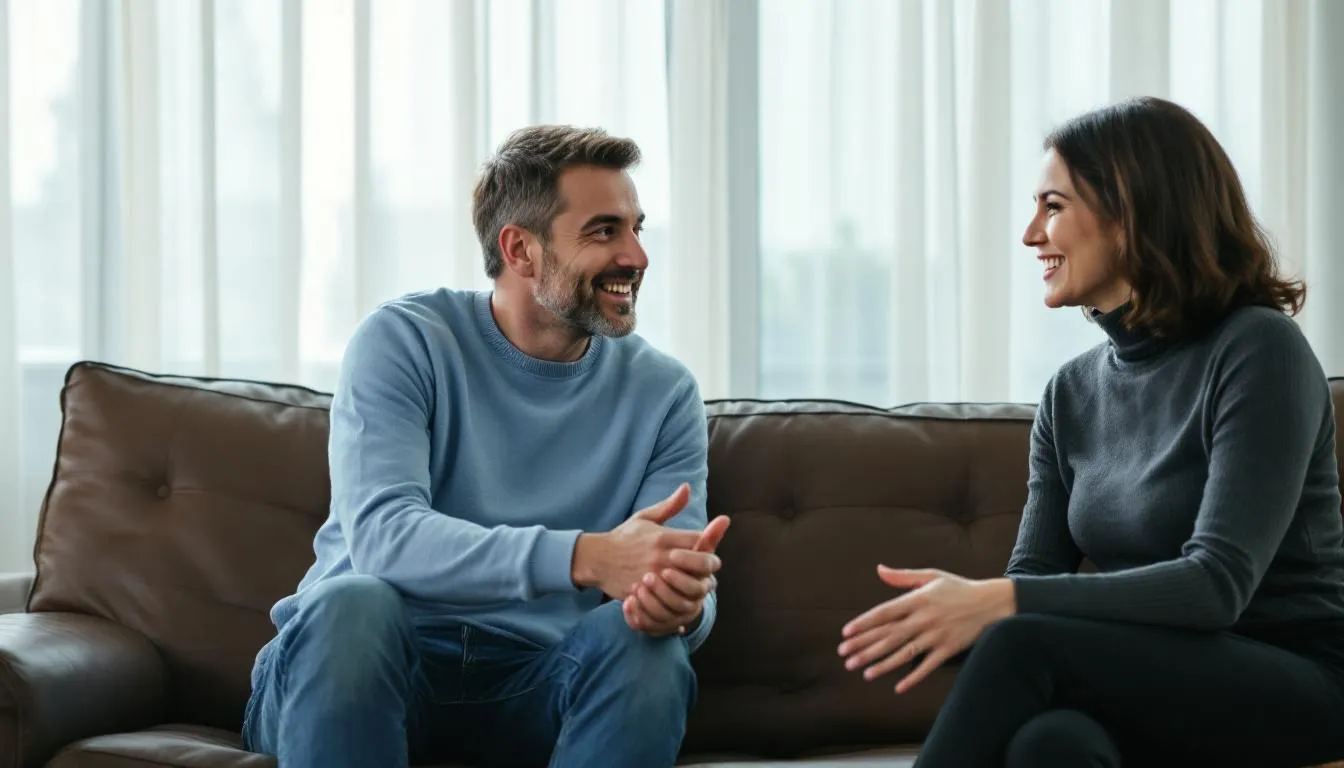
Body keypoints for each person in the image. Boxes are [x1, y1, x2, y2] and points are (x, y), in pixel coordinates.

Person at [837, 96, 1344, 766]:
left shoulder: (1258, 350)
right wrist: (949, 616)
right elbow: (1033, 578)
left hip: (1296, 676)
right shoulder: (1071, 393)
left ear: (1132, 213)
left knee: (1021, 642)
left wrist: (997, 603)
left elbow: (1215, 585)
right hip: (1155, 674)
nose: (1029, 235)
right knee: (1055, 744)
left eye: (1053, 206)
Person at [241, 125, 730, 768]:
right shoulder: (405, 341)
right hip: (359, 669)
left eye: (637, 228)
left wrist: (680, 603)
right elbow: (384, 537)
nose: (637, 256)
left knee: (647, 643)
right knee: (353, 601)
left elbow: (670, 568)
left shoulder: (664, 393)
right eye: (605, 231)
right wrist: (585, 557)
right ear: (520, 250)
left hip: (535, 686)